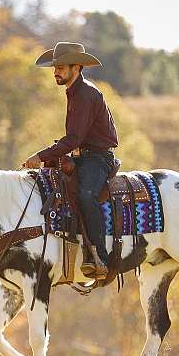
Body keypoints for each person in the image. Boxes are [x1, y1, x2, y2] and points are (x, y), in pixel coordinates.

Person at [23, 42, 119, 280]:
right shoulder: (75, 91)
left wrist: (41, 156)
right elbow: (75, 140)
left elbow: (74, 138)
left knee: (86, 195)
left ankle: (99, 256)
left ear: (76, 67)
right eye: (55, 67)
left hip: (97, 158)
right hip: (82, 156)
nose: (56, 72)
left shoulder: (85, 94)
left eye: (61, 67)